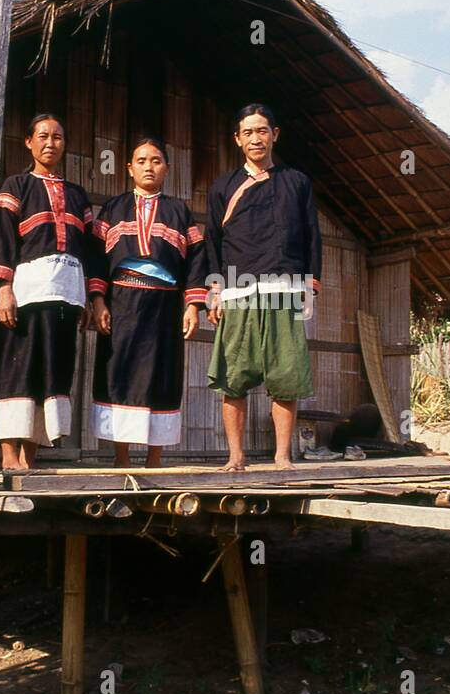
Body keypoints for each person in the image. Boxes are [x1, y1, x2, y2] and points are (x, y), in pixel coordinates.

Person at [205, 103, 321, 471]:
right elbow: (212, 242)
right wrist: (214, 290)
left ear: (275, 134)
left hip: (284, 288)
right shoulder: (223, 187)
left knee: (286, 376)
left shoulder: (297, 182)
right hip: (237, 290)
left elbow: (312, 236)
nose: (256, 138)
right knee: (234, 378)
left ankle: (282, 456)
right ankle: (236, 456)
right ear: (237, 139)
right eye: (248, 132)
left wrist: (309, 283)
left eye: (263, 130)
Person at [88, 137, 209, 467]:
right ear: (129, 168)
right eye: (141, 160)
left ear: (167, 168)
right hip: (122, 306)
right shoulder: (113, 208)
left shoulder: (178, 210)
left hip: (164, 309)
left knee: (161, 376)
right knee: (120, 375)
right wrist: (98, 301)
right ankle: (121, 460)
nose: (148, 167)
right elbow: (97, 258)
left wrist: (193, 306)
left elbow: (197, 260)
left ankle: (155, 460)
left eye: (156, 161)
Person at [0, 113, 101, 471]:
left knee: (53, 369)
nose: (50, 143)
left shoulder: (77, 195)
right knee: (19, 367)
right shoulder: (16, 185)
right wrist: (4, 290)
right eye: (43, 136)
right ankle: (9, 454)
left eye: (57, 137)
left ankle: (31, 455)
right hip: (28, 290)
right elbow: (4, 239)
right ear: (29, 142)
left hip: (67, 293)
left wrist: (89, 294)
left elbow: (88, 249)